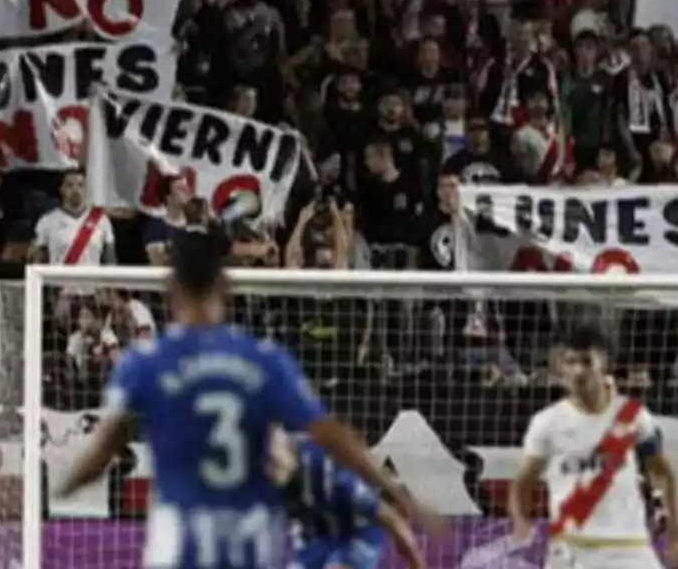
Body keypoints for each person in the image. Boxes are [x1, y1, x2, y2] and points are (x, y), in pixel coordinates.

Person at [58, 227, 439, 568]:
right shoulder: (264, 360)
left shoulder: (145, 362)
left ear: (172, 287)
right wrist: (396, 494)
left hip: (179, 544)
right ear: (225, 287)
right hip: (249, 543)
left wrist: (59, 488)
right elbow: (332, 435)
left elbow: (101, 454)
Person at [507, 327, 678, 569]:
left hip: (629, 547)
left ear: (604, 366)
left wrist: (676, 539)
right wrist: (520, 520)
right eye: (570, 362)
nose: (578, 371)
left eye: (586, 362)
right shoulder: (547, 423)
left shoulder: (632, 416)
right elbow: (522, 482)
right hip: (572, 547)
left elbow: (664, 474)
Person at [266, 429, 424, 569]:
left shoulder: (330, 477)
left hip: (357, 531)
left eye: (273, 462)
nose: (269, 469)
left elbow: (390, 517)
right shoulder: (262, 480)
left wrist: (416, 563)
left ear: (289, 450)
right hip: (315, 535)